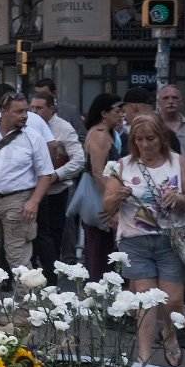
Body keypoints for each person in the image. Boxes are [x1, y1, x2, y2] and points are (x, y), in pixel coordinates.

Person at [102, 113, 185, 367]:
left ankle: (169, 332)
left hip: (171, 239)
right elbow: (107, 206)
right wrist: (118, 197)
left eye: (151, 139)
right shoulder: (120, 165)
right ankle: (144, 355)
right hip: (135, 240)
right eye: (139, 139)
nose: (145, 145)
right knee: (145, 298)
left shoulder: (178, 162)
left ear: (162, 138)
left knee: (173, 299)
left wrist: (180, 198)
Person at [0, 92, 58, 321]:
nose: (24, 115)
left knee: (18, 256)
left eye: (26, 110)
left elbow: (46, 173)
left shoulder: (33, 137)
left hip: (18, 199)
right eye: (19, 111)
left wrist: (34, 201)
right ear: (4, 111)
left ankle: (22, 309)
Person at [29, 88, 84, 282]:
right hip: (31, 189)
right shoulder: (26, 125)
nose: (35, 112)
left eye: (40, 108)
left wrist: (56, 175)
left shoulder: (63, 128)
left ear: (52, 108)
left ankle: (51, 274)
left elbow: (78, 159)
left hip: (55, 191)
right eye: (32, 108)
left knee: (53, 233)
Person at [80, 94, 124, 271]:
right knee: (99, 252)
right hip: (100, 200)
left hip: (107, 197)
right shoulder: (99, 136)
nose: (121, 114)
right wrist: (111, 204)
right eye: (117, 111)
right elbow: (98, 173)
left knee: (104, 250)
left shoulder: (109, 134)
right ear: (104, 113)